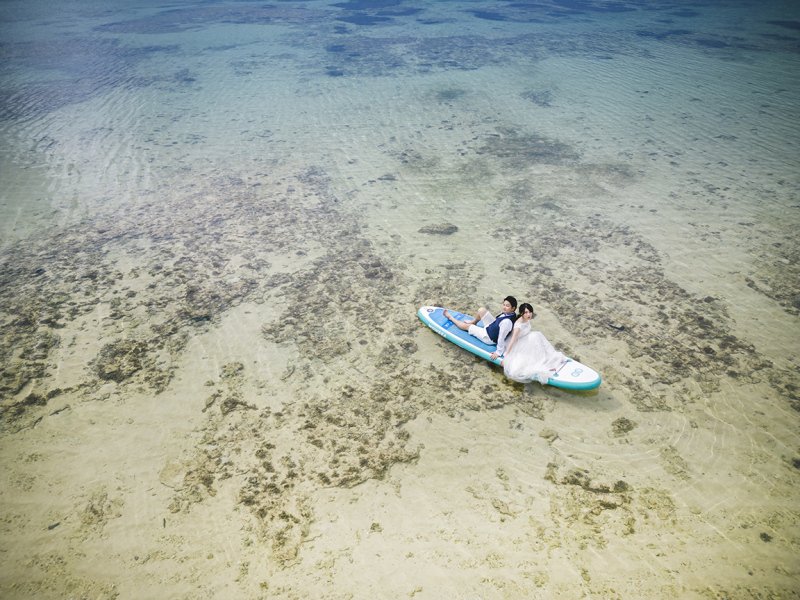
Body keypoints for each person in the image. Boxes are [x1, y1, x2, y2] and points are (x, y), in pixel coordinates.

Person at [501, 302, 568, 385]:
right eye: (526, 312)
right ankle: (544, 362)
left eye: (530, 312)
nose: (528, 314)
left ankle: (550, 356)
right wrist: (506, 356)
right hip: (517, 344)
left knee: (538, 335)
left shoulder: (527, 319)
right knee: (535, 337)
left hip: (525, 338)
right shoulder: (518, 326)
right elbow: (512, 340)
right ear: (521, 313)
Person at [443, 296, 518, 360]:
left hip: (488, 337)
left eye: (507, 306)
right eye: (504, 305)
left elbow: (501, 337)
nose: (504, 307)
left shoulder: (507, 322)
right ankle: (474, 322)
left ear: (513, 308)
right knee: (481, 310)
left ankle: (451, 318)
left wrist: (498, 352)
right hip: (492, 327)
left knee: (467, 326)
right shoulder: (509, 314)